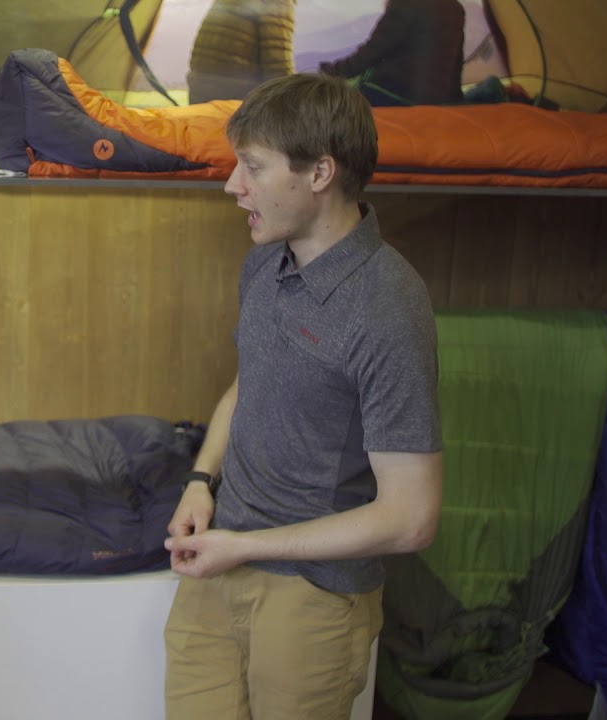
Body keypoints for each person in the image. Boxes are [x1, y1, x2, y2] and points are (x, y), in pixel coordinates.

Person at [162, 72, 443, 719]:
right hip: (219, 563)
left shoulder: (388, 308)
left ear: (320, 173)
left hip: (314, 599)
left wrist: (250, 546)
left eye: (253, 167)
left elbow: (411, 517)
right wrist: (202, 481)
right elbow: (248, 383)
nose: (233, 185)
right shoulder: (265, 261)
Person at [318, 0, 465, 106]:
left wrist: (334, 72)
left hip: (398, 95)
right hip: (436, 100)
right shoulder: (455, 8)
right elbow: (456, 63)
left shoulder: (406, 4)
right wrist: (454, 102)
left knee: (335, 107)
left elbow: (372, 52)